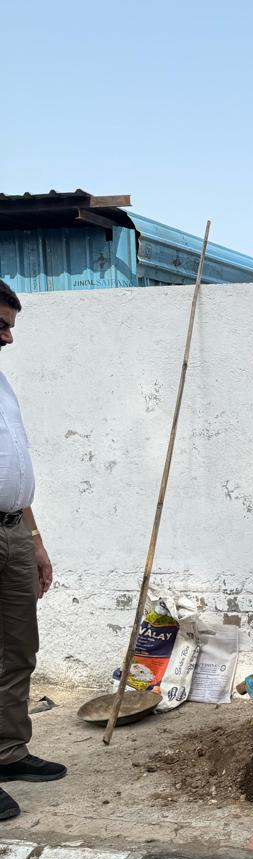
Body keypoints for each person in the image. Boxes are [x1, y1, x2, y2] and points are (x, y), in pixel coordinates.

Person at [0, 280, 65, 823]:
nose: (9, 338)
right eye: (0, 326)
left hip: (13, 530)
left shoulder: (3, 385)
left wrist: (35, 540)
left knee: (18, 648)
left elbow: (14, 472)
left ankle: (7, 752)